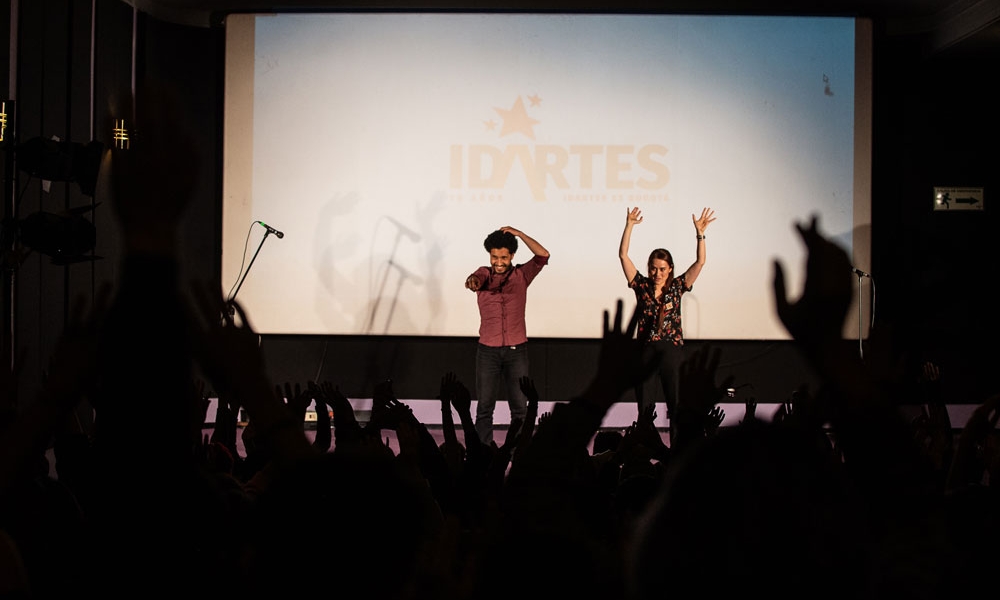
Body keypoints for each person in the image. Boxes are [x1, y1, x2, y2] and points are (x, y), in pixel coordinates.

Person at [618, 206, 716, 427]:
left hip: (671, 349)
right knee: (645, 408)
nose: (657, 274)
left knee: (677, 406)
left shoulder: (677, 286)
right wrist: (629, 225)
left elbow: (700, 263)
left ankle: (676, 454)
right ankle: (642, 452)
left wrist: (700, 234)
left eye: (662, 269)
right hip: (645, 349)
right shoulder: (641, 285)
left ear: (670, 269)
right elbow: (623, 255)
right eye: (654, 269)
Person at [465, 226, 549, 446]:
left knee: (520, 408)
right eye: (494, 256)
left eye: (503, 257)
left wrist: (520, 234)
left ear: (512, 255)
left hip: (516, 351)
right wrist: (472, 282)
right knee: (484, 407)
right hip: (487, 352)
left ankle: (517, 451)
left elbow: (543, 255)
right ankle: (482, 451)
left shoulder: (522, 275)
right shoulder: (483, 273)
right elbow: (475, 278)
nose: (498, 261)